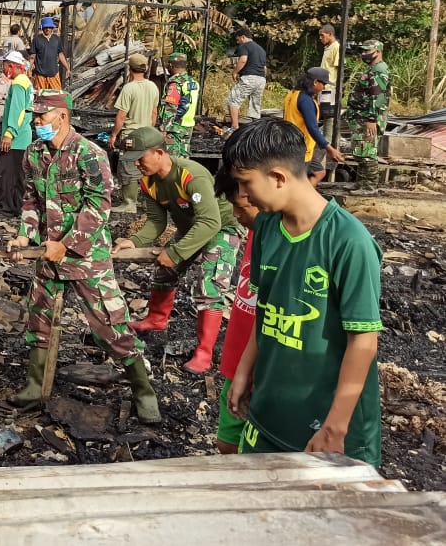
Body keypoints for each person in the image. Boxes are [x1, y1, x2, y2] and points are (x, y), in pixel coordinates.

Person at [223, 119, 383, 468]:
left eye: (246, 184)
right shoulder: (266, 226)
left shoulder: (348, 241)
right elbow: (265, 309)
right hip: (268, 413)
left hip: (326, 427)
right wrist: (243, 372)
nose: (244, 196)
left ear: (278, 177)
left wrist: (335, 427)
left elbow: (364, 340)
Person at [6, 91, 160, 422]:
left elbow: (98, 207)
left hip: (86, 257)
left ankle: (143, 391)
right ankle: (35, 386)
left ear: (62, 116)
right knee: (40, 319)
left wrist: (68, 244)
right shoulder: (34, 154)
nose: (36, 123)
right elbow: (31, 200)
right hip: (48, 254)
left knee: (109, 324)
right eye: (34, 117)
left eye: (42, 117)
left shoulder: (89, 154)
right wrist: (24, 233)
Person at [114, 127, 244, 374]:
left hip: (221, 228)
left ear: (159, 152)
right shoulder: (148, 182)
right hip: (191, 227)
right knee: (164, 270)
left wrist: (174, 253)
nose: (137, 165)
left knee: (210, 286)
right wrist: (134, 241)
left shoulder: (190, 176)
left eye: (140, 159)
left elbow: (210, 222)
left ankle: (204, 352)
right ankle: (156, 318)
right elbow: (156, 221)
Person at [212, 167, 258, 454]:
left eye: (240, 206)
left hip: (262, 374)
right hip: (239, 361)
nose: (236, 216)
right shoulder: (257, 231)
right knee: (226, 443)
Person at [108, 53, 159, 213]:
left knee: (128, 166)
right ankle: (147, 202)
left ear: (129, 68)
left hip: (131, 135)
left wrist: (114, 135)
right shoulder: (153, 86)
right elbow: (154, 113)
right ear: (145, 68)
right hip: (147, 134)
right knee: (146, 167)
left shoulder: (128, 88)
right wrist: (150, 130)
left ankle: (129, 203)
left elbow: (121, 115)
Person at [283, 66, 346, 185]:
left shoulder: (292, 94)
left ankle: (302, 197)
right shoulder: (306, 101)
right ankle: (301, 199)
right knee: (301, 178)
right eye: (323, 84)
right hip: (301, 147)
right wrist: (330, 149)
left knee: (318, 173)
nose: (324, 88)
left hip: (290, 142)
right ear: (315, 82)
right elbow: (312, 128)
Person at [346, 40, 391, 190]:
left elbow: (378, 97)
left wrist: (372, 119)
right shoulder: (373, 69)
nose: (364, 54)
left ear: (377, 51)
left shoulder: (379, 70)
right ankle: (361, 183)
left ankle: (369, 186)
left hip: (368, 118)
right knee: (361, 151)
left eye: (367, 51)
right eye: (363, 51)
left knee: (367, 153)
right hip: (361, 117)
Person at [0, 50, 34, 215]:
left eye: (4, 65)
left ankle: (10, 207)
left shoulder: (19, 83)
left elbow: (18, 110)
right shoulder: (25, 81)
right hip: (22, 135)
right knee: (18, 173)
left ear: (11, 66)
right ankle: (18, 205)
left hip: (16, 138)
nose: (2, 68)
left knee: (9, 173)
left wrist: (9, 133)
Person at [156, 52, 199, 158]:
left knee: (172, 159)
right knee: (184, 157)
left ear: (170, 65)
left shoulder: (176, 83)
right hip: (188, 126)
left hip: (174, 127)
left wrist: (164, 128)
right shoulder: (192, 82)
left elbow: (171, 108)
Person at [227, 26, 267, 131]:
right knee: (255, 104)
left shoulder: (245, 46)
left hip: (249, 77)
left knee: (233, 100)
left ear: (243, 37)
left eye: (238, 39)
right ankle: (256, 130)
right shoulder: (261, 49)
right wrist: (261, 78)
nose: (238, 42)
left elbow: (243, 60)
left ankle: (234, 127)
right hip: (261, 79)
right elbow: (264, 67)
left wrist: (235, 72)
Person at [29, 17, 71, 90]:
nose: (47, 29)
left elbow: (60, 54)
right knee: (41, 96)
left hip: (53, 73)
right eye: (45, 27)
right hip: (40, 75)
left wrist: (67, 68)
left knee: (56, 96)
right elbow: (33, 56)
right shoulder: (37, 40)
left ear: (52, 28)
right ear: (42, 28)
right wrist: (29, 68)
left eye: (49, 27)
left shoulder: (56, 39)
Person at [318, 25, 341, 143]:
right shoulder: (328, 48)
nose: (321, 38)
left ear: (330, 34)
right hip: (323, 87)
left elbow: (339, 68)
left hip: (330, 87)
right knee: (322, 113)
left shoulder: (336, 47)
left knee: (329, 115)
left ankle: (328, 141)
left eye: (322, 35)